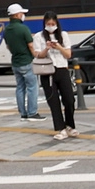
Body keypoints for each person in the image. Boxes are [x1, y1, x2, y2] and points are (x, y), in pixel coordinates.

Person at [34, 12, 79, 141]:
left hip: (62, 69)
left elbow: (68, 54)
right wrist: (46, 48)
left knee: (69, 99)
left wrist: (58, 46)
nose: (51, 26)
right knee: (53, 101)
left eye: (53, 24)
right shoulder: (39, 36)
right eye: (48, 24)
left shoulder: (63, 35)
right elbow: (38, 55)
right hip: (47, 71)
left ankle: (70, 124)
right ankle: (61, 128)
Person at [1, 4, 44, 122]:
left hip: (15, 62)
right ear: (16, 14)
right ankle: (32, 113)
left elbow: (9, 46)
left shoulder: (6, 30)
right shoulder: (23, 29)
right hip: (26, 61)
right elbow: (30, 45)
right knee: (32, 87)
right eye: (21, 13)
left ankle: (23, 113)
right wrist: (36, 55)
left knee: (20, 87)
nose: (23, 15)